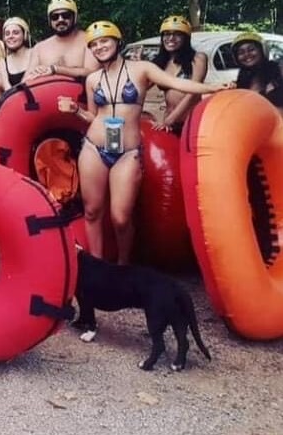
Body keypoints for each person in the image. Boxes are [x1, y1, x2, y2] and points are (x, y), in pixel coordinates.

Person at [57, 21, 233, 265]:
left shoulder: (141, 69)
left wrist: (213, 87)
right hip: (94, 148)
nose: (99, 47)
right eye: (94, 45)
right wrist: (76, 110)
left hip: (127, 152)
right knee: (92, 211)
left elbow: (179, 84)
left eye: (104, 41)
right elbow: (93, 117)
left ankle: (123, 267)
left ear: (118, 42)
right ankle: (98, 269)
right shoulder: (93, 79)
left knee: (120, 217)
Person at [150, 16, 207, 134]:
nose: (171, 38)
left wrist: (170, 120)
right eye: (166, 34)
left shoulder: (197, 58)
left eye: (177, 34)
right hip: (169, 122)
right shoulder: (160, 62)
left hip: (192, 122)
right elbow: (140, 86)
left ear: (186, 38)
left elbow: (193, 93)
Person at [25, 0, 98, 80]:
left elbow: (93, 72)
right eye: (55, 17)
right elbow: (26, 80)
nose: (60, 20)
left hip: (83, 91)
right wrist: (36, 72)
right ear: (50, 20)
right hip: (47, 91)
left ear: (74, 17)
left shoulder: (88, 39)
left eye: (65, 15)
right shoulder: (40, 48)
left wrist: (56, 69)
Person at [233, 32, 283, 113]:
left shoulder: (278, 70)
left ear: (262, 50)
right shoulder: (242, 79)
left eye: (251, 50)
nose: (247, 55)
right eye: (241, 52)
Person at [0, 17, 32, 91]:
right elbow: (7, 88)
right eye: (7, 34)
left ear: (25, 35)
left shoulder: (36, 53)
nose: (11, 36)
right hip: (16, 99)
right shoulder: (2, 62)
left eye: (16, 33)